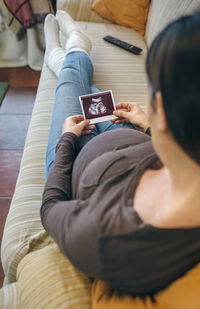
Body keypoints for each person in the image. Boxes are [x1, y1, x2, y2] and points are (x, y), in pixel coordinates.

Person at [41, 10, 200, 296]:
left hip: (74, 156)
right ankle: (67, 57)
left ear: (162, 108)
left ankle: (74, 49)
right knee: (84, 92)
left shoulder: (106, 236)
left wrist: (66, 140)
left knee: (70, 86)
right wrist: (150, 125)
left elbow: (51, 207)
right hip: (128, 136)